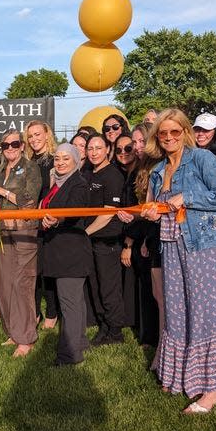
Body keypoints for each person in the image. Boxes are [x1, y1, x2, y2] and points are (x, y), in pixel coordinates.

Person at [141, 108, 216, 414]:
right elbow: (159, 210)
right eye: (163, 133)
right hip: (171, 247)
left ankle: (211, 390)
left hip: (205, 248)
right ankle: (181, 376)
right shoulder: (157, 171)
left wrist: (188, 197)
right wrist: (152, 212)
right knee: (179, 313)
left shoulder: (202, 159)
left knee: (206, 315)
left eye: (174, 132)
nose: (168, 138)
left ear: (185, 132)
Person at [0, 130, 42, 358]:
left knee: (23, 283)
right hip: (1, 232)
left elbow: (30, 200)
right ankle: (13, 332)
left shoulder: (31, 168)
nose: (9, 148)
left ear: (21, 146)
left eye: (14, 144)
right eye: (5, 145)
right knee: (4, 283)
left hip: (24, 230)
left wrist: (3, 192)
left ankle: (26, 337)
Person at [41, 144, 94, 366]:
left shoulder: (78, 183)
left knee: (69, 304)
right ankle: (79, 343)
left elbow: (74, 209)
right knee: (75, 303)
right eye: (57, 159)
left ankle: (68, 355)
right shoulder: (58, 184)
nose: (60, 162)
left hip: (71, 253)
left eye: (66, 158)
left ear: (76, 161)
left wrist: (57, 219)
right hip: (62, 251)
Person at [82, 134, 126, 345]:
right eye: (90, 148)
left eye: (98, 148)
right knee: (95, 285)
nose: (94, 152)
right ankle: (104, 326)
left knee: (109, 288)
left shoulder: (113, 176)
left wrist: (85, 233)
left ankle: (115, 331)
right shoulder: (88, 173)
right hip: (91, 241)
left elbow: (108, 213)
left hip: (107, 242)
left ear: (107, 149)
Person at [122, 124, 161, 355]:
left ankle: (156, 339)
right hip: (142, 236)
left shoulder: (159, 167)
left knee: (157, 293)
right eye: (134, 143)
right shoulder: (139, 168)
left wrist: (144, 239)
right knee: (149, 289)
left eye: (140, 142)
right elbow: (142, 209)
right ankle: (149, 336)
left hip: (154, 238)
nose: (137, 147)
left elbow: (153, 209)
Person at [24, 119, 59, 328]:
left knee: (46, 269)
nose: (34, 139)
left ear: (47, 135)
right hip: (28, 223)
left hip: (47, 221)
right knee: (31, 271)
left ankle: (52, 312)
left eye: (38, 134)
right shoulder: (27, 162)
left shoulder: (56, 160)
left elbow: (57, 192)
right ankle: (34, 312)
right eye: (30, 136)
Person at [113, 134, 139, 328]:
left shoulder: (139, 174)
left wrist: (128, 244)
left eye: (128, 148)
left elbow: (139, 211)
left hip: (138, 237)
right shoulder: (125, 173)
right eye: (119, 150)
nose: (123, 153)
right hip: (130, 235)